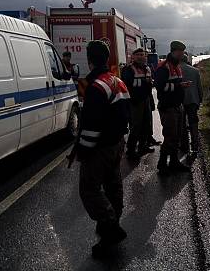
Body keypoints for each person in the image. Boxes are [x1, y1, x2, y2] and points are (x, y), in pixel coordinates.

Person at [66, 40, 131, 258]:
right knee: (113, 185)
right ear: (108, 58)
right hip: (116, 144)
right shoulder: (117, 82)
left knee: (89, 190)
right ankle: (110, 224)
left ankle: (110, 227)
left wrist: (83, 152)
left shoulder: (96, 87)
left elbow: (91, 127)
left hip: (100, 148)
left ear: (89, 60)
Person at [154, 40, 192, 174]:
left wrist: (180, 86)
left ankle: (174, 162)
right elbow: (160, 87)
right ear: (174, 51)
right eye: (180, 52)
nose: (182, 55)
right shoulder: (163, 67)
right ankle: (162, 164)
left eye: (183, 52)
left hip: (177, 106)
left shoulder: (176, 66)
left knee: (176, 136)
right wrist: (179, 86)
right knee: (170, 137)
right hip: (168, 107)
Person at [121, 48, 155, 160]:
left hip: (146, 100)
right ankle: (131, 150)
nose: (141, 56)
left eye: (143, 55)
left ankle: (143, 146)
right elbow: (126, 87)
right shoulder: (128, 69)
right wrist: (131, 101)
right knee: (136, 126)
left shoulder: (147, 68)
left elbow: (149, 85)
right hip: (135, 102)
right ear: (133, 56)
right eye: (138, 54)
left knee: (146, 124)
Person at [180, 52, 203, 158]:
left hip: (180, 101)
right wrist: (200, 100)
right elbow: (199, 88)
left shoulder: (175, 70)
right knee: (193, 123)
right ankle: (195, 146)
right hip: (193, 101)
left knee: (182, 124)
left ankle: (184, 146)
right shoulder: (195, 71)